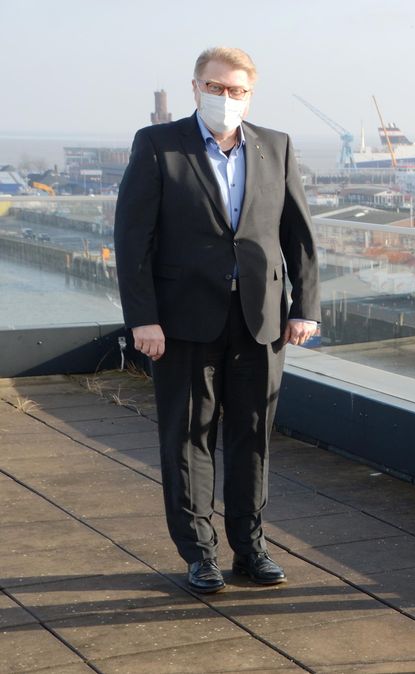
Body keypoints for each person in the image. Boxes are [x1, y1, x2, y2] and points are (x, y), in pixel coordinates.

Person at [114, 47, 320, 594]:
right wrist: (143, 319)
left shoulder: (276, 147)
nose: (225, 99)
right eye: (215, 88)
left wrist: (306, 308)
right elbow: (134, 238)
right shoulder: (158, 145)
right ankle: (199, 552)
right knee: (187, 438)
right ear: (195, 87)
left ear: (250, 94)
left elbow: (298, 234)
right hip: (182, 320)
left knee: (254, 435)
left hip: (261, 320)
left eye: (236, 91)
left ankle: (250, 547)